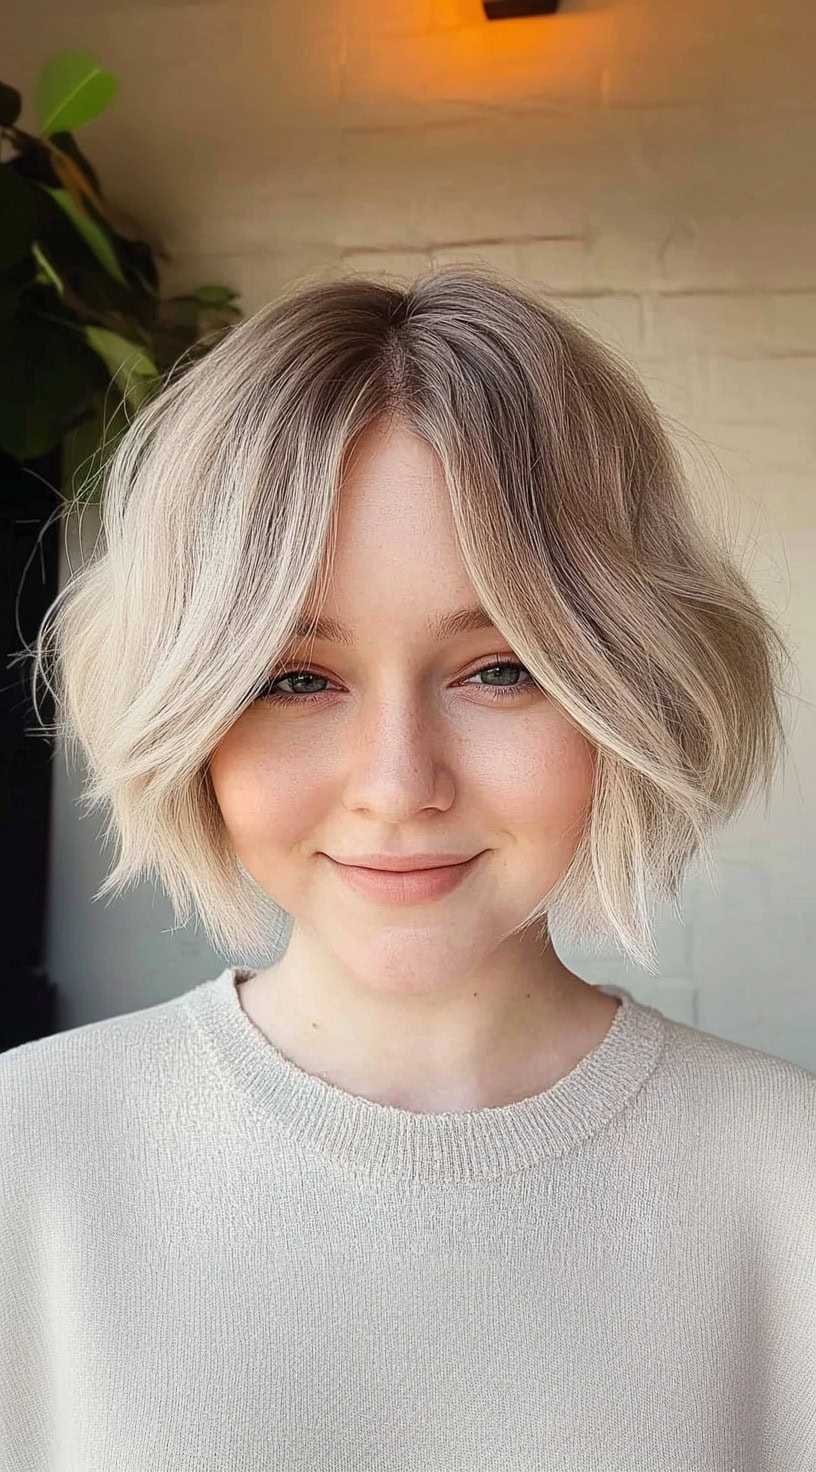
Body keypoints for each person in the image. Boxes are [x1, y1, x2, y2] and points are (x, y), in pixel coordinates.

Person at [2, 267, 813, 1470]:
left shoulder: (787, 1176)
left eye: (499, 668)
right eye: (296, 678)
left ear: (627, 683)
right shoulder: (28, 1153)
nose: (398, 782)